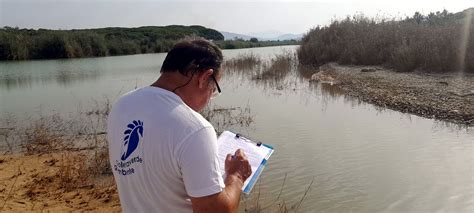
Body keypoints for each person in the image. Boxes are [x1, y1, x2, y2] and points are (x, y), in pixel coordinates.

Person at [107, 37, 252, 213]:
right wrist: (236, 176)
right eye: (213, 90)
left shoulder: (122, 106)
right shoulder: (195, 129)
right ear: (205, 77)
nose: (209, 98)